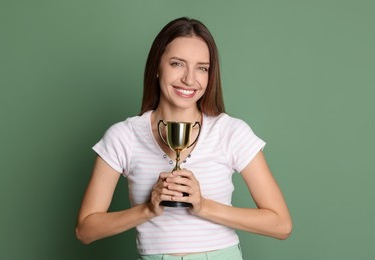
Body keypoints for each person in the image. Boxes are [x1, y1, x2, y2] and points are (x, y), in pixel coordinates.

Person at [76, 17, 292, 259]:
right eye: (177, 64)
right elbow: (86, 230)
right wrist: (147, 209)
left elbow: (281, 225)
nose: (190, 79)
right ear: (157, 66)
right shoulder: (124, 136)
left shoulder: (230, 131)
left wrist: (203, 206)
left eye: (202, 68)